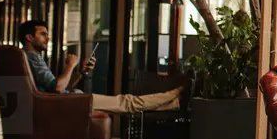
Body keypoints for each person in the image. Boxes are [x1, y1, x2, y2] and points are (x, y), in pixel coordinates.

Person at [18, 20, 181, 113]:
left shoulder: (27, 57)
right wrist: (71, 65)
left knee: (126, 103)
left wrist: (80, 72)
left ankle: (174, 103)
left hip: (64, 101)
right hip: (66, 103)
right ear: (29, 37)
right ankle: (175, 93)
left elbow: (55, 88)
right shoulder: (32, 58)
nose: (47, 38)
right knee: (126, 102)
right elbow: (59, 89)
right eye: (43, 34)